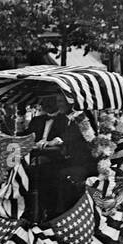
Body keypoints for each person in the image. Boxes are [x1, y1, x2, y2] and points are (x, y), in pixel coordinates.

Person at [25, 93, 94, 221]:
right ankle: (36, 210)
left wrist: (52, 142)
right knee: (35, 171)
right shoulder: (41, 120)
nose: (57, 104)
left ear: (71, 103)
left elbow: (67, 137)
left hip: (78, 162)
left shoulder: (76, 117)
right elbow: (25, 136)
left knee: (53, 173)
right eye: (57, 101)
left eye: (60, 101)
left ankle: (57, 214)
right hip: (59, 158)